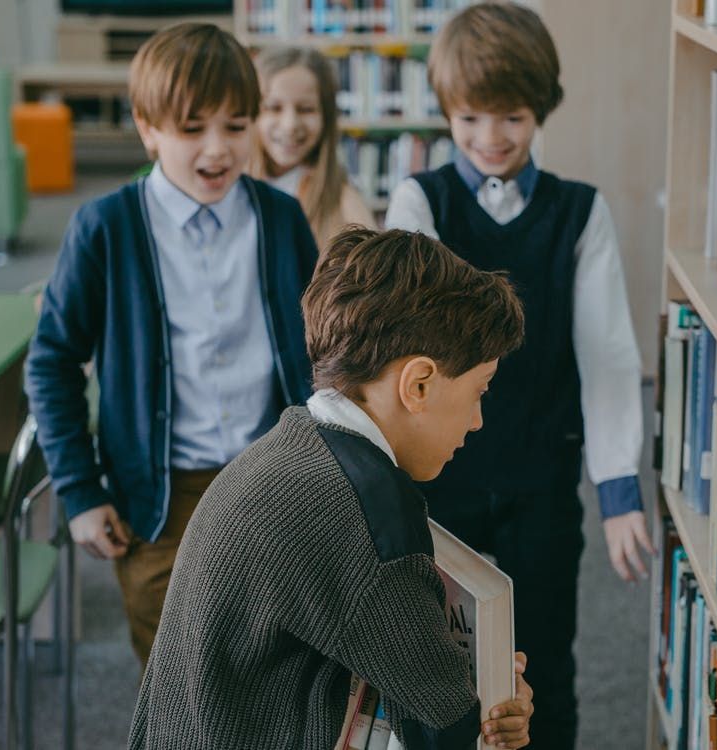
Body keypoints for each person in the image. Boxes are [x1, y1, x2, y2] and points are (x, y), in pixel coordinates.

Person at [128, 227, 533, 749]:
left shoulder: (294, 444)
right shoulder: (368, 509)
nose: (477, 421)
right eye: (479, 391)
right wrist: (498, 698)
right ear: (419, 384)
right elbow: (453, 724)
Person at [383, 4, 652, 749]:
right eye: (470, 118)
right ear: (446, 112)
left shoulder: (579, 212)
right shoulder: (417, 202)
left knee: (546, 669)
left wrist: (620, 493)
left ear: (540, 111)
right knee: (435, 671)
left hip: (542, 477)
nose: (490, 138)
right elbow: (412, 343)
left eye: (511, 117)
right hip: (440, 481)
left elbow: (607, 356)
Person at [25, 22, 319, 670]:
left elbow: (319, 352)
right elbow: (52, 361)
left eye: (236, 126)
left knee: (274, 667)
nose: (217, 149)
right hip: (159, 504)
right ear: (147, 127)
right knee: (177, 683)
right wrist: (79, 489)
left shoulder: (280, 220)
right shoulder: (105, 227)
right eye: (192, 129)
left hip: (269, 484)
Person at [249, 46, 375, 250]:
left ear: (326, 117)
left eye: (306, 109)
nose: (290, 124)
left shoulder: (346, 202)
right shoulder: (230, 191)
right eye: (274, 108)